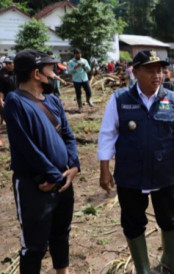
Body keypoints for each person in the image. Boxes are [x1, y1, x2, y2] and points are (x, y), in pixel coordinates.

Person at [97, 50, 174, 274]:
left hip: (164, 173)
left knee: (170, 218)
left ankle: (170, 260)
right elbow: (107, 136)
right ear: (135, 72)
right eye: (151, 71)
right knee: (133, 222)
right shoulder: (120, 100)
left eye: (160, 70)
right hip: (130, 175)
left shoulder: (172, 100)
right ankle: (143, 268)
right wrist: (104, 170)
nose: (157, 76)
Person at [4, 49, 80, 274]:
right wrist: (53, 176)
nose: (54, 72)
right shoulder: (14, 102)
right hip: (35, 185)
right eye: (50, 68)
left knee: (60, 234)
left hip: (63, 181)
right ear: (37, 74)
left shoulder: (53, 101)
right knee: (35, 245)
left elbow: (68, 135)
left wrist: (74, 165)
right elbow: (27, 147)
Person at [0, 55, 16, 142]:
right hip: (7, 99)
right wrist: (1, 99)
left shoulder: (20, 72)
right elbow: (1, 88)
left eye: (10, 63)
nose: (8, 65)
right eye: (6, 63)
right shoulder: (2, 73)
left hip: (19, 98)